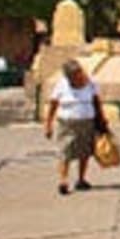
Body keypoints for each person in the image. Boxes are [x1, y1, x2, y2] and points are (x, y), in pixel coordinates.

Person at [44, 59, 107, 196]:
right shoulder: (62, 85)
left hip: (87, 122)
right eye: (75, 76)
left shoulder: (91, 83)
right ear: (69, 77)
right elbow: (53, 105)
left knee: (84, 152)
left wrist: (102, 120)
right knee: (65, 152)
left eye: (80, 73)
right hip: (67, 124)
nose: (79, 77)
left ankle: (81, 179)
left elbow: (97, 102)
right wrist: (48, 124)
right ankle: (63, 181)